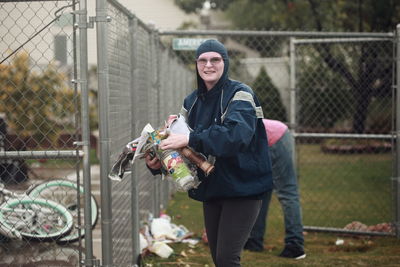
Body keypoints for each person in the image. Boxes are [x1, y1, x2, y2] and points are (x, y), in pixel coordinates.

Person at [146, 39, 273, 266]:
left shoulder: (241, 94)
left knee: (227, 259)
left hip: (243, 186)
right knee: (219, 258)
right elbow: (185, 151)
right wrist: (158, 165)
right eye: (203, 60)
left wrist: (190, 138)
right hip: (214, 186)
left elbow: (236, 137)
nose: (209, 65)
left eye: (215, 59)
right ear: (196, 64)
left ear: (225, 63)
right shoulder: (191, 101)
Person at [244, 119, 306, 259]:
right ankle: (255, 241)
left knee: (287, 192)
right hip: (261, 144)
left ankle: (295, 245)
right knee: (259, 191)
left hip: (275, 137)